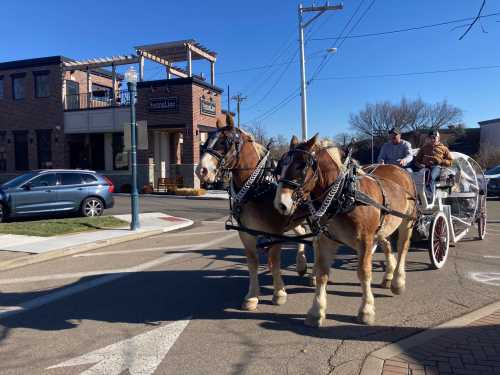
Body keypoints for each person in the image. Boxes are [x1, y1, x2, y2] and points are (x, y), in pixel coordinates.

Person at [414, 129, 453, 196]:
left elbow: (450, 162)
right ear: (428, 138)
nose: (432, 139)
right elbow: (417, 160)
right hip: (425, 167)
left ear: (438, 138)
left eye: (434, 137)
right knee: (417, 178)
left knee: (431, 177)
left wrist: (441, 161)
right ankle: (418, 196)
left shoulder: (444, 148)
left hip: (437, 167)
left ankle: (429, 196)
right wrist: (420, 165)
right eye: (431, 137)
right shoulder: (424, 148)